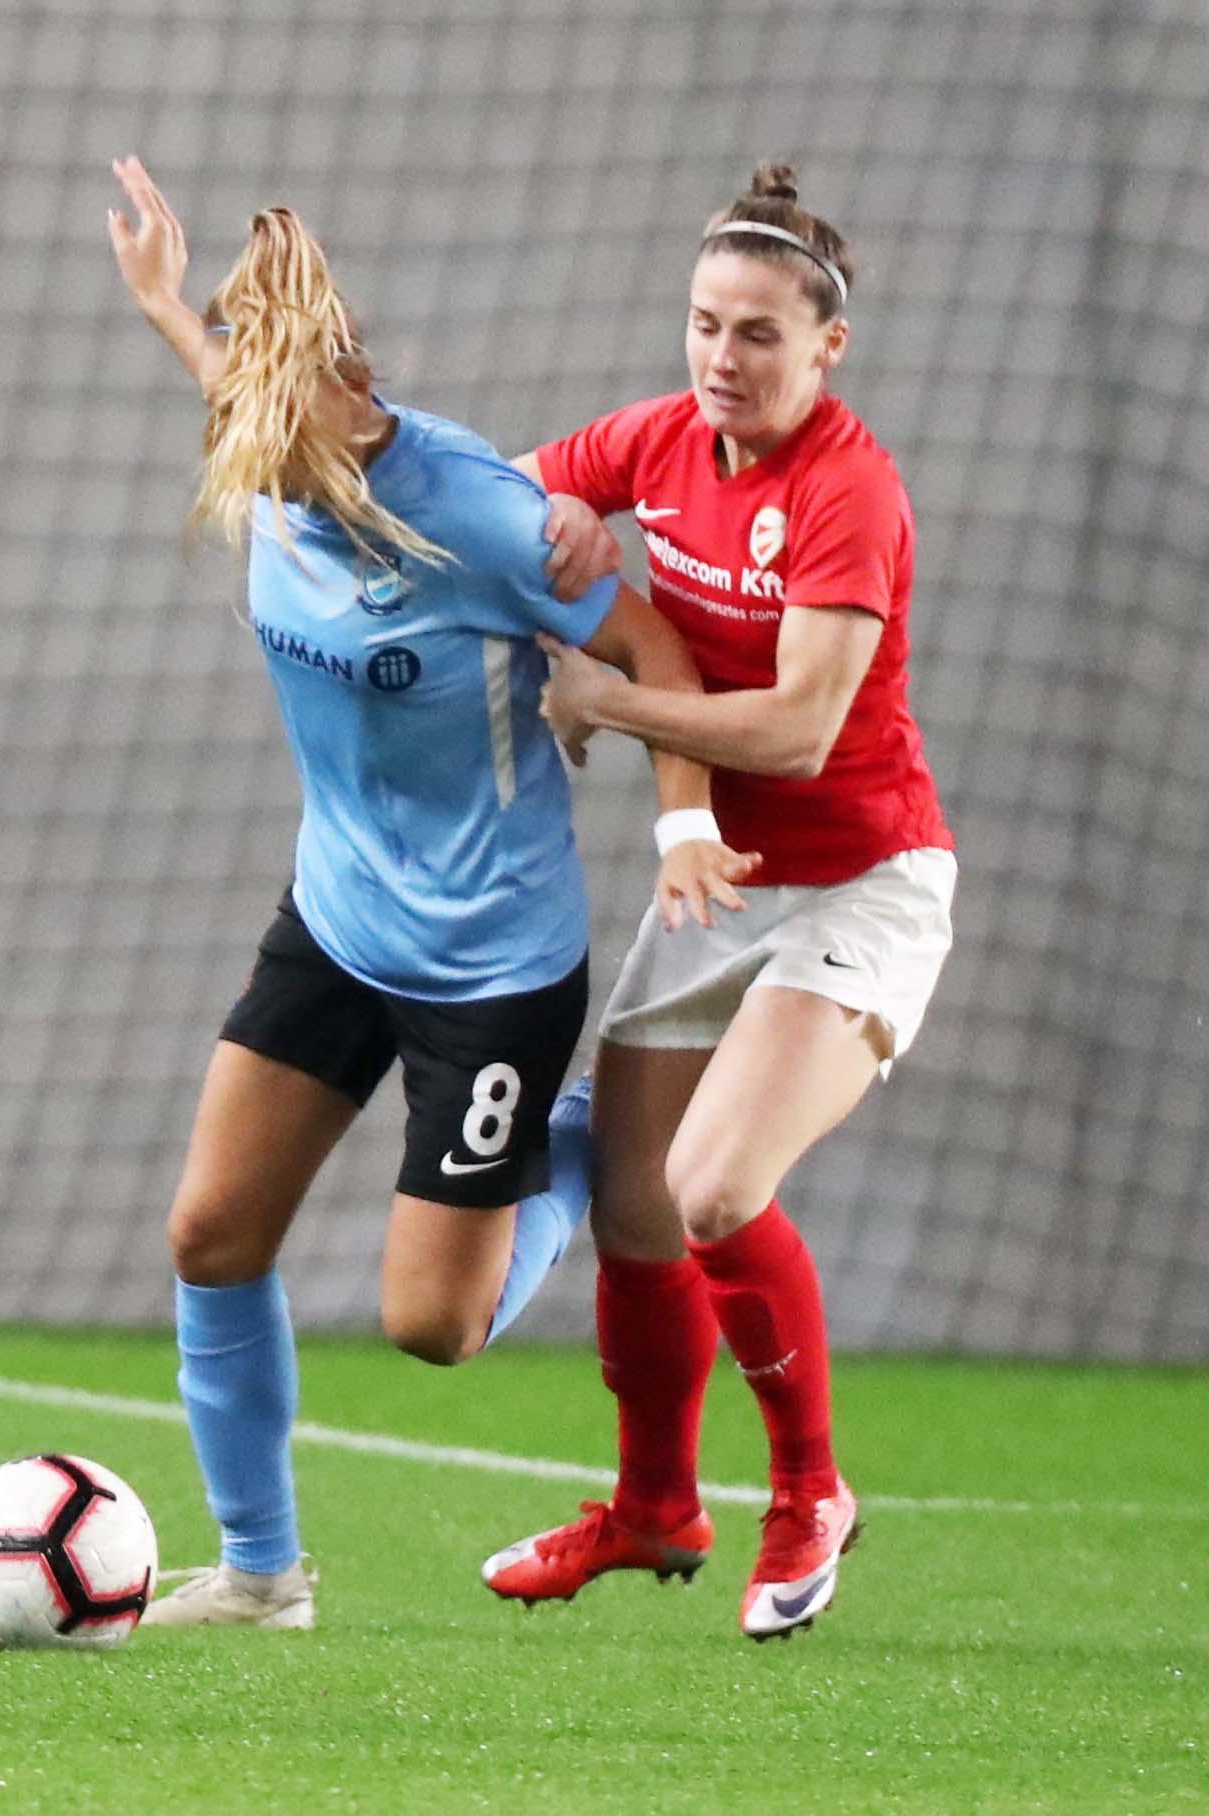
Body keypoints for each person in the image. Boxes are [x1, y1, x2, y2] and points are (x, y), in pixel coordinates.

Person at [104, 157, 756, 1630]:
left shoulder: (475, 512)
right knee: (211, 1235)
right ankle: (263, 1576)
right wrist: (164, 302)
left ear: (350, 386)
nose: (262, 475)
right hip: (337, 923)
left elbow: (657, 652)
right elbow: (231, 377)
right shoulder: (268, 439)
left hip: (490, 968)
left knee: (433, 1328)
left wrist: (681, 829)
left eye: (279, 437)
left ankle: (580, 1136)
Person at [480, 163, 956, 1640]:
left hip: (860, 887)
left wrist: (609, 698)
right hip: (721, 885)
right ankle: (652, 1510)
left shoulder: (846, 491)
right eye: (704, 324)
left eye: (759, 333)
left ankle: (811, 1492)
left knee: (713, 1190)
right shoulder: (663, 439)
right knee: (634, 1211)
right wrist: (556, 521)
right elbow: (500, 496)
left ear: (828, 347)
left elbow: (801, 733)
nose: (722, 358)